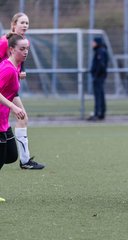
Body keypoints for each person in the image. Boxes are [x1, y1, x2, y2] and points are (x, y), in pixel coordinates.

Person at [0, 12, 45, 169]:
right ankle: (24, 160)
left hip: (10, 85)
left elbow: (19, 62)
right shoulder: (5, 42)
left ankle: (24, 159)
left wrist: (20, 72)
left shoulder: (24, 43)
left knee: (22, 117)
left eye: (27, 23)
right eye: (22, 22)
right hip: (4, 84)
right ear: (13, 25)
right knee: (19, 115)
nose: (25, 25)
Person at [0, 33, 28, 202]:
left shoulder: (15, 67)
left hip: (3, 121)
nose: (25, 52)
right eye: (21, 49)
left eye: (27, 49)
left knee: (11, 156)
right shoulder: (8, 69)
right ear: (11, 50)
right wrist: (13, 106)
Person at [87, 37, 108, 121]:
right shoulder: (100, 51)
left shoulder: (100, 51)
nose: (92, 44)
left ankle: (98, 113)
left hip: (99, 77)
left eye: (93, 42)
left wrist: (96, 75)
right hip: (99, 76)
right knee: (100, 95)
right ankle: (100, 113)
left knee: (98, 96)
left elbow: (101, 65)